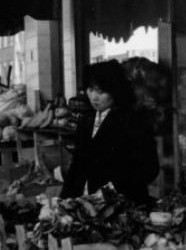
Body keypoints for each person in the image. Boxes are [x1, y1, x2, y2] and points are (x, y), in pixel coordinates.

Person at [60, 59, 160, 205]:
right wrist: (64, 199)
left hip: (123, 203)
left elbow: (150, 168)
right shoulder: (86, 120)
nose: (94, 97)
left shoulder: (133, 121)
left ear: (115, 91)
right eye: (90, 89)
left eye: (101, 91)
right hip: (88, 202)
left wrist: (114, 188)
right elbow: (77, 165)